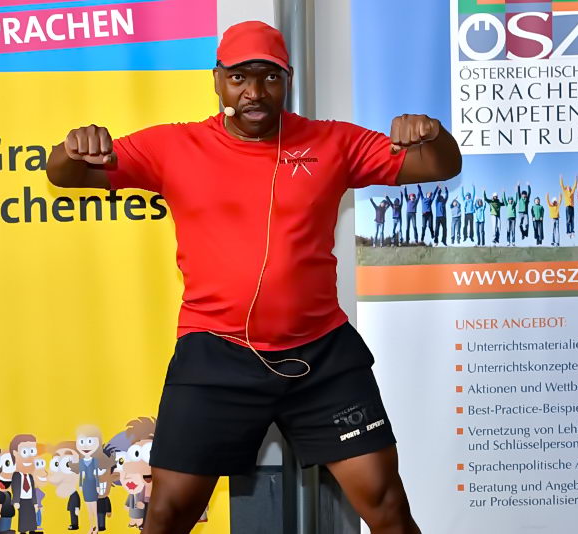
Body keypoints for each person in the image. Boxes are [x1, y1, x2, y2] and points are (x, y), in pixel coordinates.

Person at [45, 20, 461, 534]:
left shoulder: (333, 141)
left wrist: (433, 135)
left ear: (287, 80)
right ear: (217, 81)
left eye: (269, 77)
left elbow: (438, 166)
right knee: (168, 512)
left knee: (386, 505)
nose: (255, 92)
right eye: (239, 77)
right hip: (215, 353)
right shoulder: (175, 146)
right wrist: (71, 148)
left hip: (321, 355)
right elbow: (65, 173)